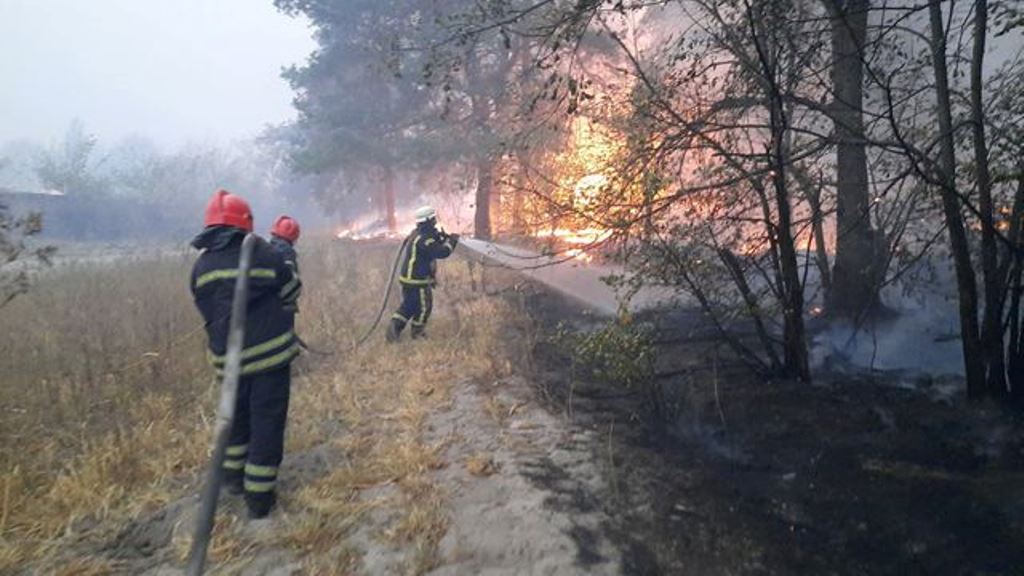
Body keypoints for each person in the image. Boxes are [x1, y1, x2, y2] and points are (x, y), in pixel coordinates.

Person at [190, 189, 302, 519]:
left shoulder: (202, 266)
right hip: (269, 361)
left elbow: (204, 305)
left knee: (235, 422)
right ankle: (259, 498)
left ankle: (233, 480)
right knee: (266, 423)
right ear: (245, 223)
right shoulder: (262, 253)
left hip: (230, 365)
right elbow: (291, 288)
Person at [386, 206, 459, 342]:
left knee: (410, 305)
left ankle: (394, 327)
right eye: (433, 220)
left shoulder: (418, 234)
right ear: (428, 220)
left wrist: (440, 237)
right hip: (417, 280)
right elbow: (442, 252)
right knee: (424, 306)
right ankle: (417, 333)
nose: (435, 222)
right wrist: (452, 241)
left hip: (408, 278)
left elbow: (431, 243)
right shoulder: (424, 239)